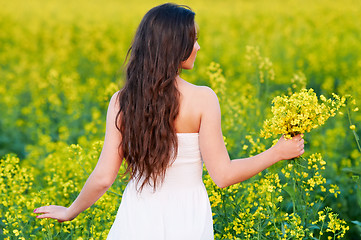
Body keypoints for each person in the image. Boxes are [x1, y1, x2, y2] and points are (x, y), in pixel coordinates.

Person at [34, 3, 304, 239]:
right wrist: (277, 152)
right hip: (187, 218)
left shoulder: (122, 101)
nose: (198, 46)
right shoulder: (203, 99)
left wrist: (71, 211)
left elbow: (104, 177)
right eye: (193, 39)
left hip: (136, 218)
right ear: (174, 45)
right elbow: (223, 176)